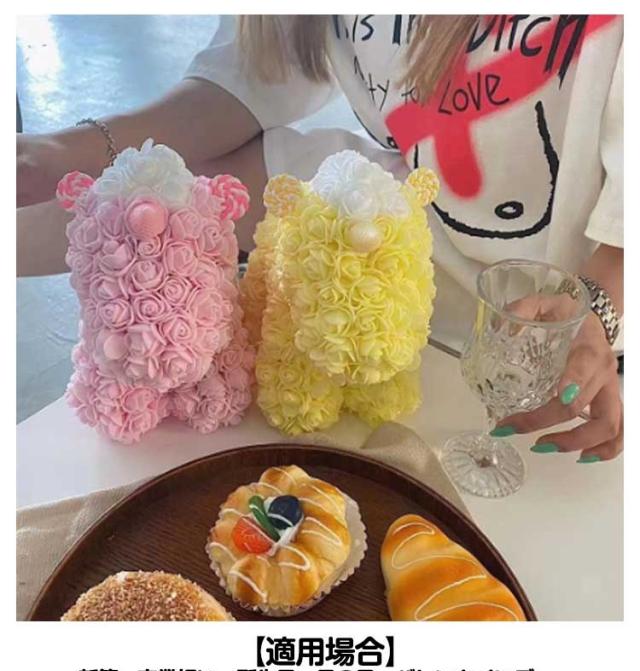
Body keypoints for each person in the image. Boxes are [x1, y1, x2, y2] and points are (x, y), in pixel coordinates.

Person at [17, 14, 623, 461]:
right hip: (378, 240)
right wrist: (63, 152)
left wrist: (599, 308)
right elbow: (253, 75)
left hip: (554, 316)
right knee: (153, 207)